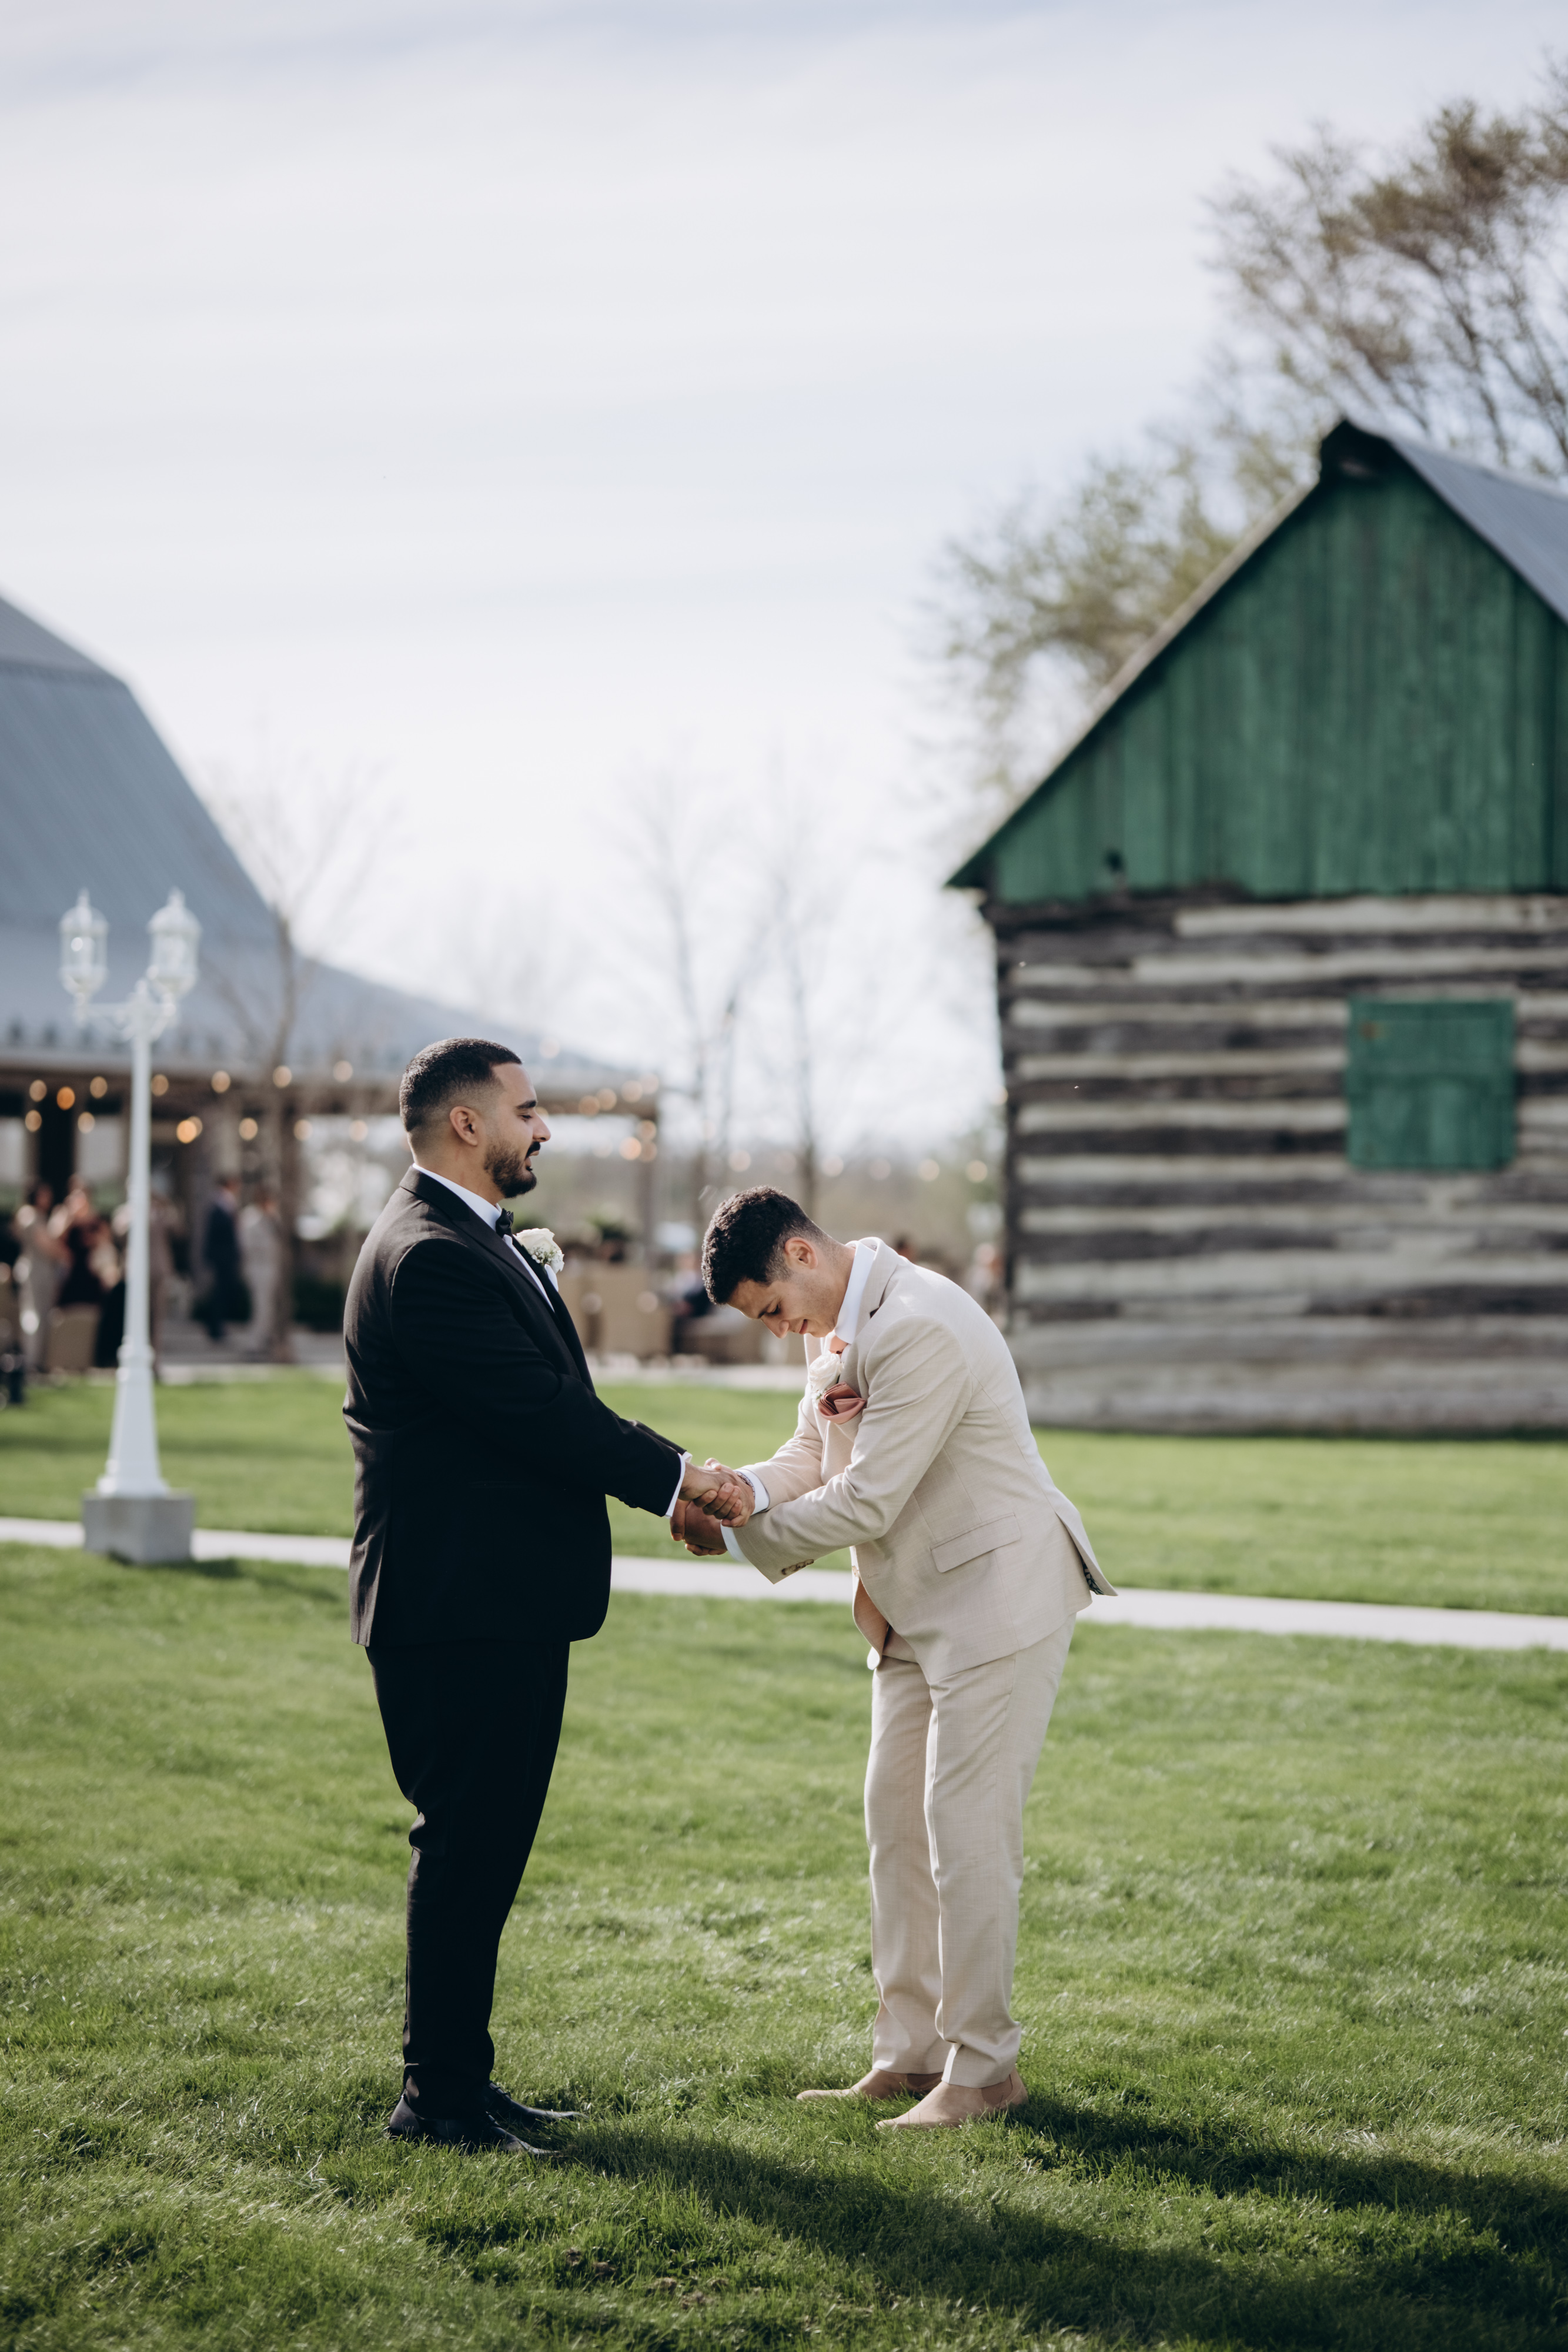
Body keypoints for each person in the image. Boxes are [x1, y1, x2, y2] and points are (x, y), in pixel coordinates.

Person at [342, 1037, 751, 2156]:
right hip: (456, 1605)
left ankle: (462, 2085)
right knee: (465, 1850)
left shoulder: (466, 1239)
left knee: (487, 1854)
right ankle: (437, 2103)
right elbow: (539, 1413)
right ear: (466, 1124)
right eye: (526, 1111)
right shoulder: (427, 1255)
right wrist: (678, 1477)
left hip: (498, 1600)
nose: (544, 1128)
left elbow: (541, 1407)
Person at [676, 1188, 1114, 2130]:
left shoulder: (918, 1323)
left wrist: (739, 1538)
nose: (776, 1330)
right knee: (896, 1828)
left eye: (771, 1309)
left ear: (801, 1253)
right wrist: (731, 1491)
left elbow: (866, 1499)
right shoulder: (834, 1320)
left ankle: (983, 2072)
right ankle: (910, 2056)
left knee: (966, 1835)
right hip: (911, 1611)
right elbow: (811, 1452)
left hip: (996, 1597)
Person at [12, 1180, 65, 1371]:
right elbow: (47, 1245)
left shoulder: (40, 1216)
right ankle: (30, 1363)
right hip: (34, 1273)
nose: (48, 1198)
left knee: (44, 1316)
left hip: (44, 1273)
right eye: (44, 1194)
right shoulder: (29, 1214)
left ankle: (38, 1362)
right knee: (33, 1316)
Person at [239, 1185, 286, 1360]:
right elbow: (246, 1244)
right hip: (257, 1267)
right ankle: (253, 1343)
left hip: (271, 1266)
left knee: (269, 1308)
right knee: (261, 1307)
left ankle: (264, 1340)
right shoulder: (250, 1217)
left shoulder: (273, 1218)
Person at [200, 1174, 243, 1341]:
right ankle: (215, 1326)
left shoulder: (227, 1203)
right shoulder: (220, 1203)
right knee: (220, 1291)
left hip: (225, 1256)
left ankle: (218, 1324)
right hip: (222, 1256)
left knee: (223, 1291)